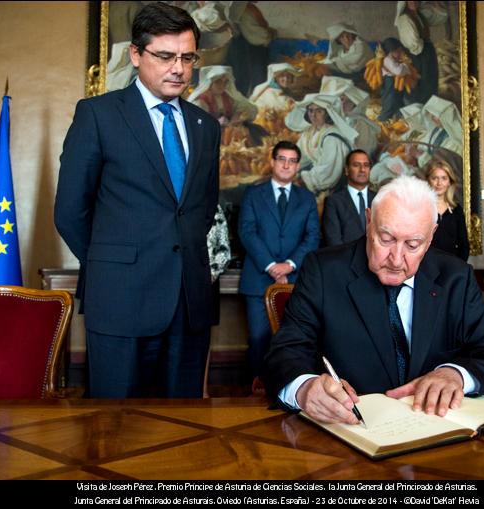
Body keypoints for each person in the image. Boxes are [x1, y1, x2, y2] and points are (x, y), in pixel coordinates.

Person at [54, 3, 221, 398]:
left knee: (183, 433)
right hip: (120, 300)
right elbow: (69, 211)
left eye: (187, 57)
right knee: (115, 434)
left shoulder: (206, 126)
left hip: (189, 305)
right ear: (135, 54)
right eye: (165, 56)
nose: (178, 68)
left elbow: (201, 208)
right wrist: (114, 262)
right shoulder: (99, 115)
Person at [264, 176, 484, 424]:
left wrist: (455, 375)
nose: (396, 259)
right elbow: (286, 353)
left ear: (431, 236)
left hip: (435, 433)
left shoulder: (455, 277)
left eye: (413, 244)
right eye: (386, 239)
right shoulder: (323, 270)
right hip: (350, 434)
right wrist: (305, 388)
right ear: (368, 221)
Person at [238, 141, 320, 390]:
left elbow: (312, 237)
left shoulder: (307, 199)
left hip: (296, 282)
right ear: (272, 162)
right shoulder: (253, 195)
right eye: (281, 159)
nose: (286, 165)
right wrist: (273, 265)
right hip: (258, 281)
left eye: (292, 161)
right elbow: (247, 232)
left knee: (292, 340)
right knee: (259, 338)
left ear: (297, 166)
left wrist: (289, 265)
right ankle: (258, 388)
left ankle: (286, 390)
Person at [285, 93, 357, 195]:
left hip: (337, 189)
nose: (313, 115)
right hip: (318, 182)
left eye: (319, 111)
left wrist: (302, 181)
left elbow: (327, 173)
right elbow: (300, 157)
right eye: (311, 110)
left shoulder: (332, 137)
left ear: (327, 113)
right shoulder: (309, 133)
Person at [188, 65, 266, 146]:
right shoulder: (200, 100)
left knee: (253, 131)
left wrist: (237, 116)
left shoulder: (228, 96)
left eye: (225, 82)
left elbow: (248, 108)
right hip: (210, 133)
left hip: (230, 130)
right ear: (210, 83)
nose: (222, 85)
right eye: (218, 82)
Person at [322, 149, 376, 247]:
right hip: (345, 260)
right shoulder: (333, 201)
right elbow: (334, 241)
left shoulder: (379, 199)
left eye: (366, 165)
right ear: (347, 170)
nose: (362, 170)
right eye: (356, 165)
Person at [394, 1, 439, 105]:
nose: (414, 2)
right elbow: (412, 42)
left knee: (430, 79)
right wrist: (423, 46)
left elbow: (438, 18)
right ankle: (417, 106)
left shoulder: (420, 15)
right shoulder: (404, 18)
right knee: (419, 80)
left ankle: (430, 105)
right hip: (415, 53)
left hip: (426, 51)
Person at [425, 159, 469, 261]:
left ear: (450, 182)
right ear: (428, 181)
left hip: (452, 266)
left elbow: (464, 245)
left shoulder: (457, 210)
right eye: (435, 178)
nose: (439, 183)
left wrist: (458, 268)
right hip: (426, 267)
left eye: (444, 178)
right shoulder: (422, 208)